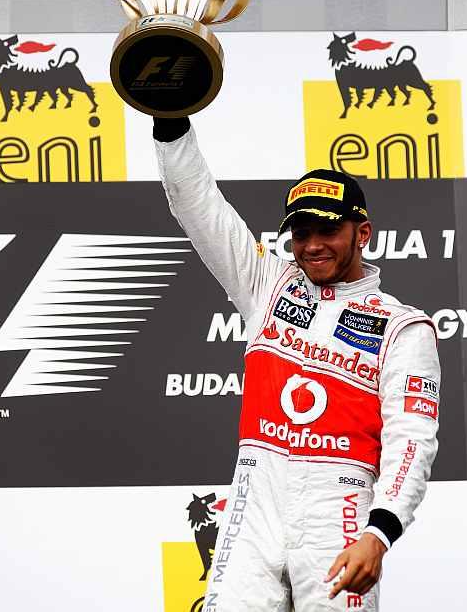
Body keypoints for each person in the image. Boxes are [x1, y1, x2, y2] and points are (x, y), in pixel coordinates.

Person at [153, 116, 440, 611]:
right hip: (254, 506)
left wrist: (380, 531)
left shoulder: (403, 327)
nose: (311, 245)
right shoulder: (267, 284)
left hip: (340, 513)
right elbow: (197, 206)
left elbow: (411, 441)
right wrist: (170, 122)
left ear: (362, 232)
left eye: (327, 230)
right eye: (300, 232)